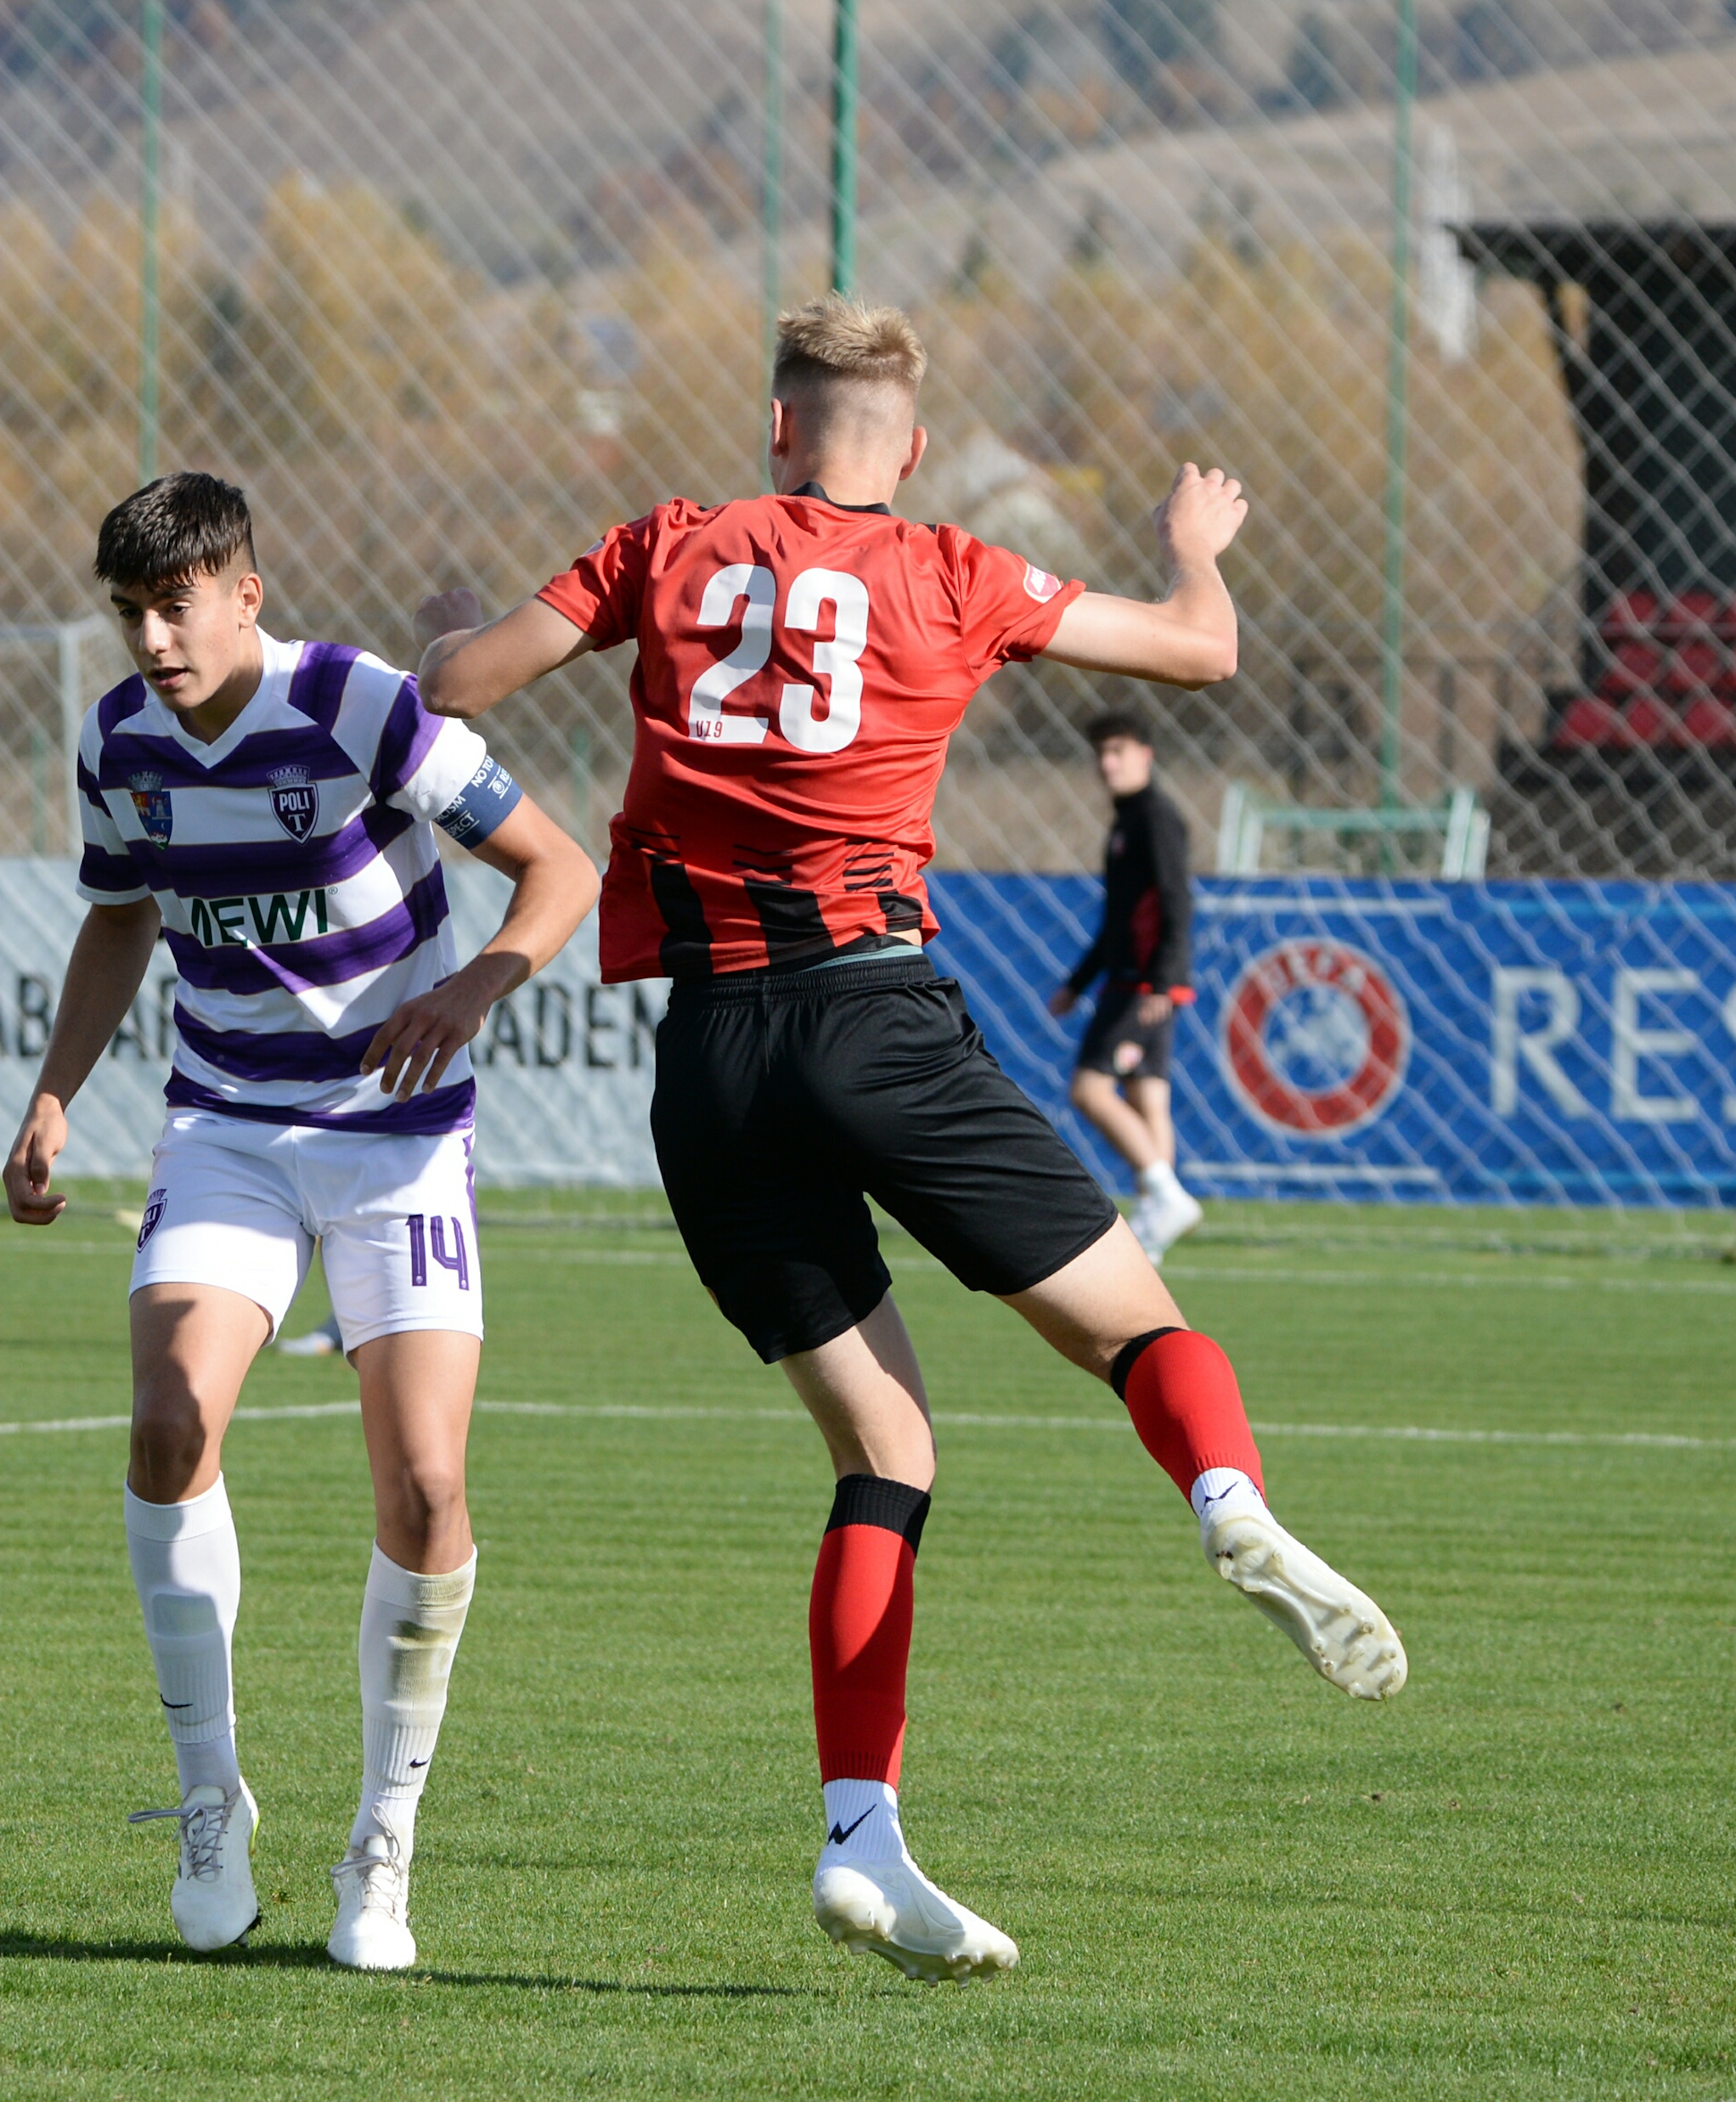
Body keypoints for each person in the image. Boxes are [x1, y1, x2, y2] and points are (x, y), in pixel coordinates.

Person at [416, 297, 1403, 1981]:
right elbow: (1201, 649)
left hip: (711, 1061)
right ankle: (1227, 1495)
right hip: (874, 1017)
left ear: (777, 426)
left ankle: (860, 1835)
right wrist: (1195, 546)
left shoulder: (666, 543)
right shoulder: (957, 571)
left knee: (883, 1453)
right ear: (917, 446)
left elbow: (452, 686)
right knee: (1136, 1331)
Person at [3, 474, 598, 1973]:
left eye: (174, 606)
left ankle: (381, 1846)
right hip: (226, 1129)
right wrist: (55, 1091)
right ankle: (210, 1801)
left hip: (398, 1137)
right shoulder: (118, 741)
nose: (151, 639)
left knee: (427, 1488)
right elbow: (121, 914)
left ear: (243, 594)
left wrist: (473, 988)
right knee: (166, 1424)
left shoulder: (361, 708)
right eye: (128, 613)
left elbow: (560, 865)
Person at [1047, 711, 1201, 1260]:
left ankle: (1166, 1195)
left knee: (1089, 1090)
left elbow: (1176, 900)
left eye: (1118, 751)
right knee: (1147, 1097)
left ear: (1145, 755)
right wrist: (1079, 983)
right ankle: (1156, 1228)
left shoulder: (1155, 817)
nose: (1107, 763)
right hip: (1132, 979)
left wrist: (1161, 981)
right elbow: (1117, 919)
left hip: (1142, 984)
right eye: (1101, 753)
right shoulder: (1127, 820)